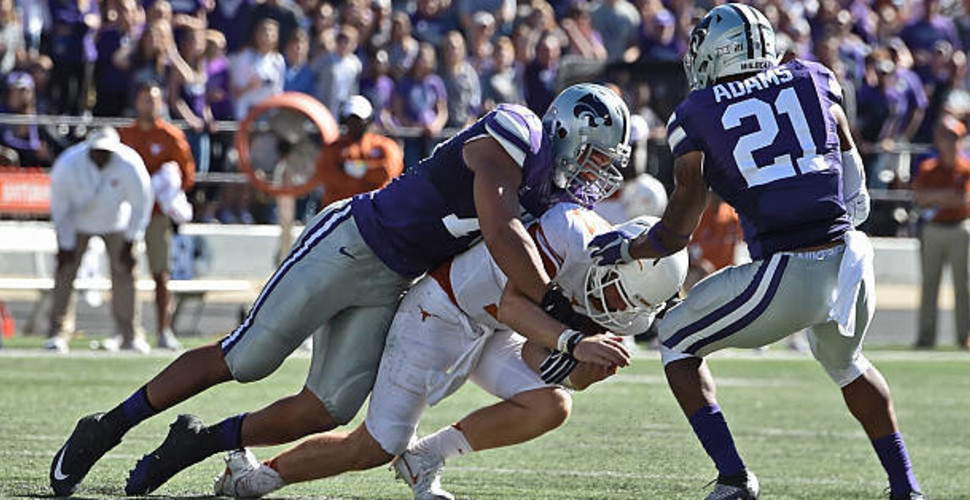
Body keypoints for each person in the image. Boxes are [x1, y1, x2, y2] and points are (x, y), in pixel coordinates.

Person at [49, 84, 632, 497]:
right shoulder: (516, 132)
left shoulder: (552, 198)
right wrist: (565, 320)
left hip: (396, 281)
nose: (595, 175)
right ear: (566, 131)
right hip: (353, 243)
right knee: (248, 357)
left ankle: (197, 443)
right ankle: (107, 426)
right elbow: (502, 231)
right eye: (595, 158)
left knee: (325, 409)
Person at [588, 5, 925, 500]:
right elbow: (854, 183)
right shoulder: (814, 77)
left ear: (715, 55)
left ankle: (733, 479)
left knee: (678, 341)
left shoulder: (697, 114)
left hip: (789, 270)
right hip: (854, 258)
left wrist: (628, 246)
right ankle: (907, 488)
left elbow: (678, 229)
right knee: (848, 363)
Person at [211, 210, 685, 500]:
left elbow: (551, 363)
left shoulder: (630, 307)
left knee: (552, 403)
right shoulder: (569, 235)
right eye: (620, 295)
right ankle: (253, 478)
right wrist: (576, 342)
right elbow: (514, 302)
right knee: (374, 447)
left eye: (630, 306)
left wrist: (586, 368)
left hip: (494, 331)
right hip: (443, 310)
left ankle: (426, 459)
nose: (617, 308)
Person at [45, 128, 153, 354]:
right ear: (90, 149)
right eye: (98, 151)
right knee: (65, 271)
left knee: (125, 272)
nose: (102, 156)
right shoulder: (68, 164)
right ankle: (58, 333)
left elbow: (141, 204)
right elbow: (60, 207)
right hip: (76, 223)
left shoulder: (129, 164)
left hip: (116, 222)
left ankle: (130, 335)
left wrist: (131, 240)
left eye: (107, 152)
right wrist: (65, 244)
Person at [119, 82, 197, 350]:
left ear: (160, 103)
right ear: (136, 103)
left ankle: (164, 329)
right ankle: (127, 331)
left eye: (152, 100)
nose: (148, 106)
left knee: (160, 271)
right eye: (143, 100)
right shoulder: (125, 135)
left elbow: (187, 176)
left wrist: (165, 186)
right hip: (127, 213)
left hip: (156, 214)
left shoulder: (171, 136)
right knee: (124, 271)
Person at [913, 115, 970, 351]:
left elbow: (962, 200)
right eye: (946, 136)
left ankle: (964, 336)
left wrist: (939, 197)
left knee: (963, 285)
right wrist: (947, 197)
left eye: (954, 137)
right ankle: (926, 337)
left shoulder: (965, 167)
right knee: (929, 285)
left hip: (960, 227)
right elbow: (921, 198)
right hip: (934, 228)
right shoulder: (928, 168)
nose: (950, 142)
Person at [316, 95, 403, 207]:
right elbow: (327, 175)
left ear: (368, 120)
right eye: (350, 120)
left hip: (374, 210)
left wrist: (352, 167)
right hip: (340, 211)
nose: (354, 124)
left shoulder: (384, 146)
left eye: (358, 120)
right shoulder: (334, 147)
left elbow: (388, 172)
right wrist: (368, 171)